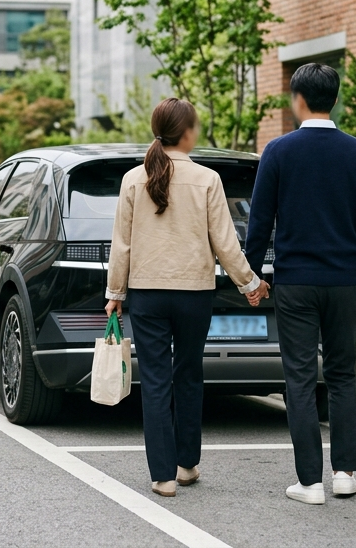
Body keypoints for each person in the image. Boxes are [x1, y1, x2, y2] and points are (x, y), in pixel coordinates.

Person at [105, 98, 270, 498]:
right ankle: (186, 465)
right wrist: (250, 285)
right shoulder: (207, 179)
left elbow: (122, 245)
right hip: (194, 294)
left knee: (156, 380)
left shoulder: (133, 179)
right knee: (189, 374)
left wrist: (115, 293)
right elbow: (225, 243)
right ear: (188, 132)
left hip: (146, 295)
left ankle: (162, 477)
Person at [243, 62, 356, 505]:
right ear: (334, 99)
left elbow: (260, 222)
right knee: (344, 377)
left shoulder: (278, 151)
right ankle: (345, 473)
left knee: (300, 379)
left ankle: (309, 483)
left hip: (295, 285)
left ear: (297, 100)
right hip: (344, 283)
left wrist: (251, 277)